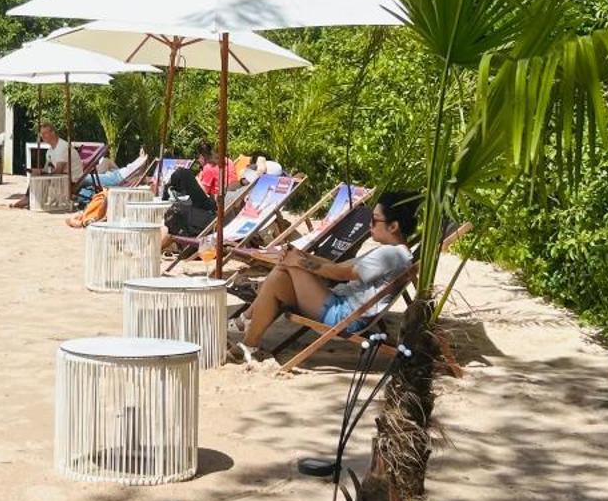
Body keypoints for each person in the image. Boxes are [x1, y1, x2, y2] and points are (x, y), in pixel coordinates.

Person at [229, 191, 423, 363]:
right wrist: (303, 255)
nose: (369, 224)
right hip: (338, 305)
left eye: (375, 220)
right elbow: (338, 266)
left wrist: (298, 262)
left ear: (393, 226)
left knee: (286, 267)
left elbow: (341, 274)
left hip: (343, 317)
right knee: (281, 274)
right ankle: (249, 338)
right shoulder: (390, 252)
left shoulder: (390, 255)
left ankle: (247, 324)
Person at [164, 146, 218, 239]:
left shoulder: (208, 168)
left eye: (198, 158)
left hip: (210, 209)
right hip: (213, 204)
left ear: (202, 156)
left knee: (176, 212)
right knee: (183, 174)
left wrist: (197, 181)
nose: (198, 161)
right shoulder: (222, 163)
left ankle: (170, 187)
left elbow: (205, 191)